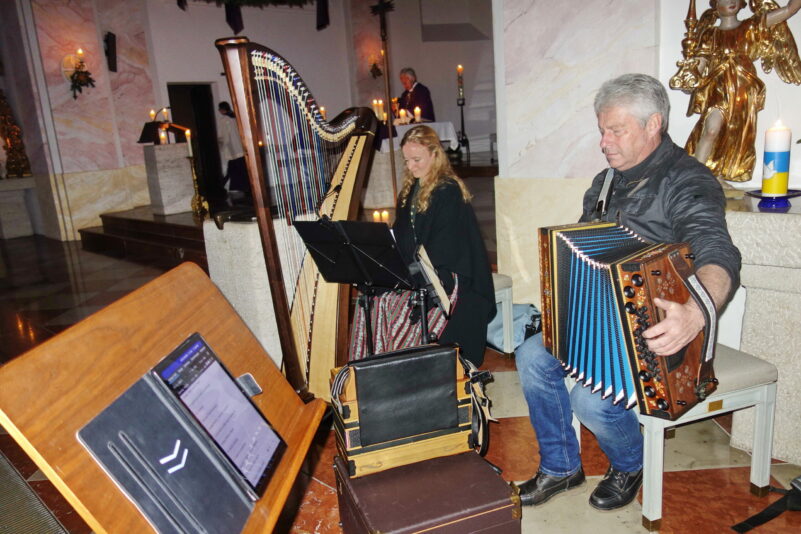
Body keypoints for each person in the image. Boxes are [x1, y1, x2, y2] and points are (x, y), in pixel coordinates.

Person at [515, 74, 741, 511]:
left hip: (662, 328)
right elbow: (582, 249)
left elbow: (718, 251)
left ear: (653, 124)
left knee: (589, 399)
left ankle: (629, 464)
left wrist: (696, 312)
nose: (604, 142)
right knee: (530, 356)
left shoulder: (688, 181)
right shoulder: (604, 182)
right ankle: (561, 467)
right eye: (603, 130)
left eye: (616, 131)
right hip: (601, 323)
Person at [349, 125, 495, 366]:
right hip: (420, 267)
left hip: (448, 273)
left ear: (435, 155)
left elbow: (446, 249)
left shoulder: (448, 191)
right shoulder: (409, 191)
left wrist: (408, 274)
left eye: (417, 160)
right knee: (372, 296)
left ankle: (403, 367)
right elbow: (402, 237)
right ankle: (374, 369)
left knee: (395, 303)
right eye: (407, 161)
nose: (411, 167)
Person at [671, 0, 801, 183]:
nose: (731, 1)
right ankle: (696, 180)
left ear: (742, 4)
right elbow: (697, 69)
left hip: (743, 89)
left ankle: (718, 177)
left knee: (734, 134)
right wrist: (689, 79)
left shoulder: (752, 26)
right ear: (716, 5)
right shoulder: (710, 34)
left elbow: (789, 9)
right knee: (711, 130)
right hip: (717, 87)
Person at [217, 101, 250, 196]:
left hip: (231, 148)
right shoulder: (235, 117)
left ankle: (222, 186)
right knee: (238, 168)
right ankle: (244, 187)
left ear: (222, 110)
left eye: (220, 109)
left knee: (234, 168)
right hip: (239, 147)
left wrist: (220, 145)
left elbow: (223, 135)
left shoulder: (224, 120)